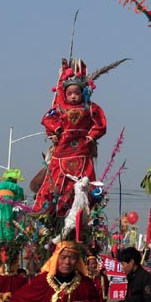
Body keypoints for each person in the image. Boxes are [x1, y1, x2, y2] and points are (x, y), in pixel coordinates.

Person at [33, 60, 107, 220]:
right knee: (56, 183)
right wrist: (55, 131)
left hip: (82, 150)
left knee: (84, 182)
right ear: (64, 94)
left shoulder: (90, 108)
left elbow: (100, 123)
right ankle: (53, 212)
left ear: (83, 93)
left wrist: (91, 135)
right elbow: (47, 119)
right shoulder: (59, 108)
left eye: (77, 93)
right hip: (62, 150)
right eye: (70, 93)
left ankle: (83, 213)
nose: (73, 96)